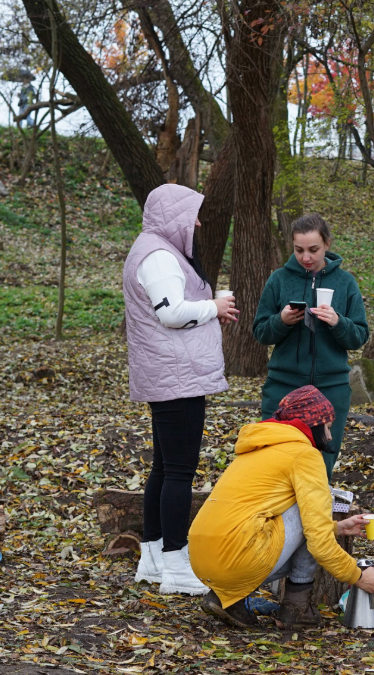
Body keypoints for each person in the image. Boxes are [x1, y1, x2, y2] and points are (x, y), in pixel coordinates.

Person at [123, 184, 239, 596]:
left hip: (171, 373)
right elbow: (170, 312)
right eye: (192, 213)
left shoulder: (152, 249)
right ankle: (175, 563)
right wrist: (215, 308)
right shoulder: (159, 258)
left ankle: (153, 557)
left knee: (164, 467)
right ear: (173, 216)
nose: (198, 222)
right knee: (178, 472)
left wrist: (208, 309)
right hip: (177, 375)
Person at [189, 386, 374, 629]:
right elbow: (318, 541)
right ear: (313, 424)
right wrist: (359, 576)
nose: (330, 435)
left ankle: (227, 599)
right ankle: (296, 607)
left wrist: (336, 527)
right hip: (239, 559)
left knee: (308, 517)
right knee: (309, 511)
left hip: (200, 561)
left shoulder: (257, 448)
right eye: (327, 425)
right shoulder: (304, 455)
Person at [253, 214, 370, 480]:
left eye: (313, 250)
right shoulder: (279, 280)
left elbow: (359, 337)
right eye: (299, 250)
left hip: (331, 388)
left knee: (320, 467)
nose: (306, 257)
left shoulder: (345, 283)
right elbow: (260, 332)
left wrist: (338, 322)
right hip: (283, 386)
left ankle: (316, 521)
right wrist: (281, 321)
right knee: (273, 463)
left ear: (327, 244)